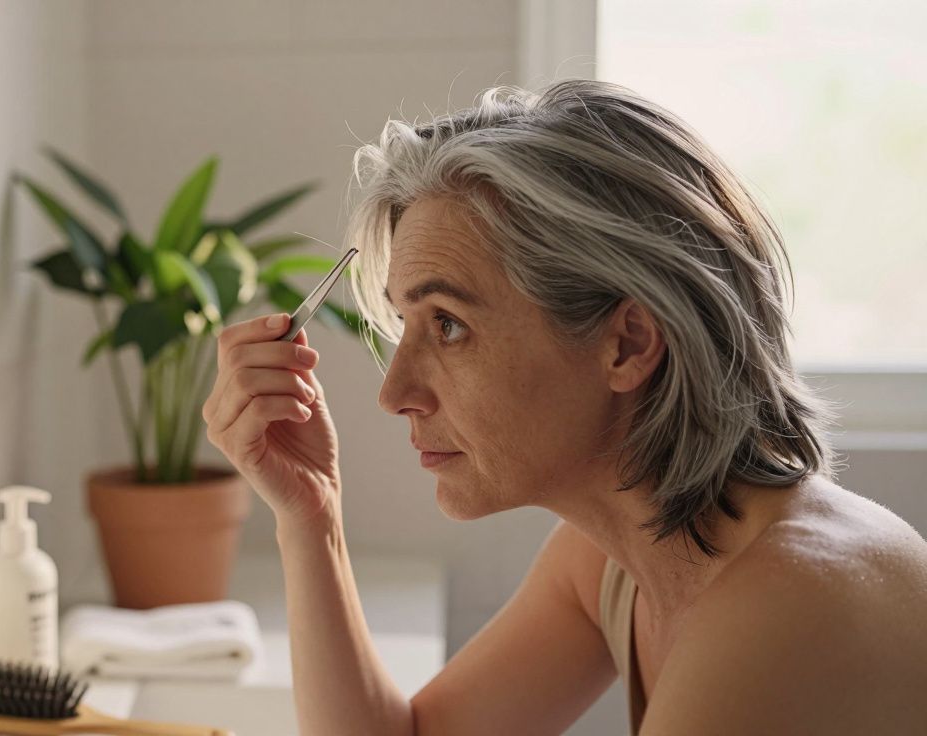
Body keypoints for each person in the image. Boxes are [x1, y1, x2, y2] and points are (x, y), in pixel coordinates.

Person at [201, 79, 927, 735]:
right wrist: (310, 514)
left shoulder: (789, 609)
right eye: (405, 326)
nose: (396, 393)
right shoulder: (616, 553)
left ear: (626, 344)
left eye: (448, 325)